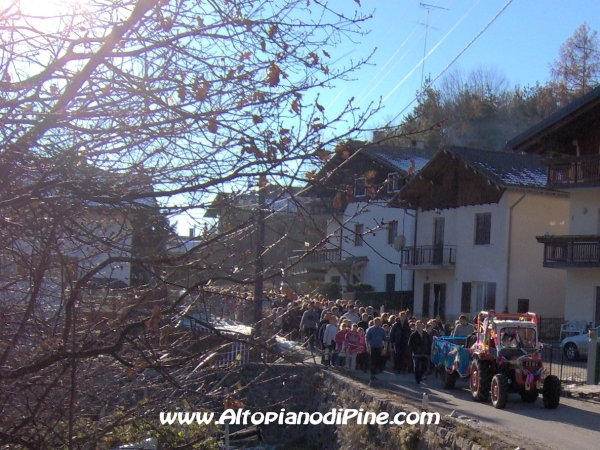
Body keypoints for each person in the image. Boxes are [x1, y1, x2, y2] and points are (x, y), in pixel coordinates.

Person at [408, 320, 432, 384]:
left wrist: (429, 352)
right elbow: (410, 344)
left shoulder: (426, 334)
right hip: (416, 354)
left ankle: (420, 376)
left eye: (419, 325)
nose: (418, 326)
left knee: (424, 366)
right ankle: (417, 379)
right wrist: (412, 351)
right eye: (417, 325)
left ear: (422, 326)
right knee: (416, 367)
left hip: (424, 353)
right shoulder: (413, 335)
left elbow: (429, 343)